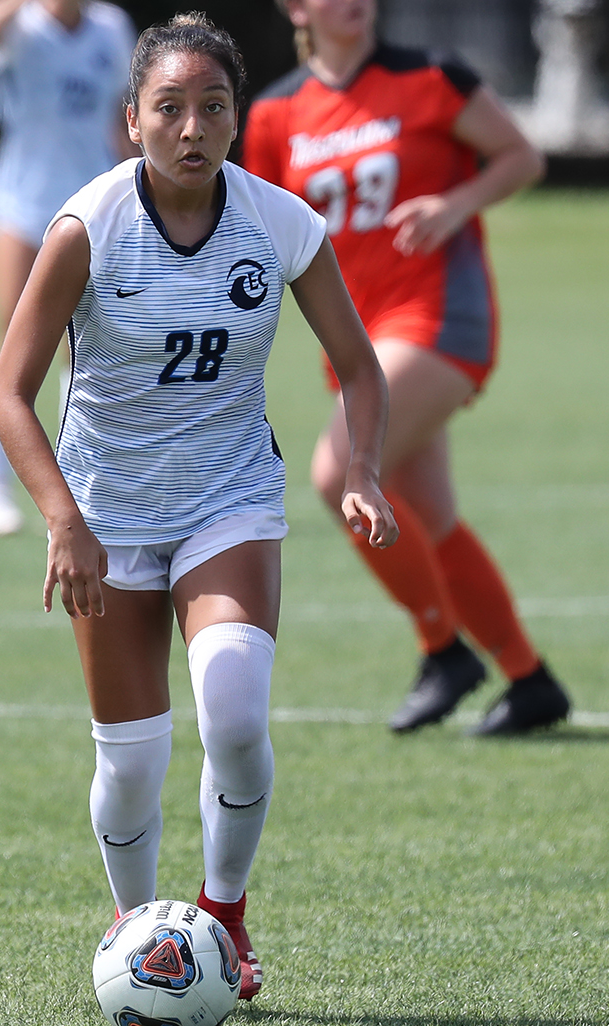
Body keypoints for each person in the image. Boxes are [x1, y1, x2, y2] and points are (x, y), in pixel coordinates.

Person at [0, 13, 396, 1002]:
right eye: (168, 108)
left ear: (234, 119)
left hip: (228, 501)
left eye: (211, 107)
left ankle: (222, 918)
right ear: (131, 119)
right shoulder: (88, 226)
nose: (190, 127)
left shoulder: (280, 223)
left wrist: (361, 469)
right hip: (107, 518)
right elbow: (9, 391)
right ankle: (138, 938)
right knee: (130, 768)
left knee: (235, 713)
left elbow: (357, 367)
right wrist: (61, 519)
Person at [242, 0, 572, 736]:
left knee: (338, 475)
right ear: (296, 7)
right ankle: (529, 678)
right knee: (428, 515)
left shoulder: (430, 78)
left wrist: (456, 204)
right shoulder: (273, 112)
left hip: (436, 317)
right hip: (356, 339)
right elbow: (256, 225)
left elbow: (522, 155)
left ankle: (443, 651)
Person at [0, 0, 136, 536]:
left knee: (86, 347)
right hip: (23, 206)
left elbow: (123, 117)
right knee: (11, 340)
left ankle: (80, 483)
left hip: (92, 207)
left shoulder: (110, 27)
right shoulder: (20, 24)